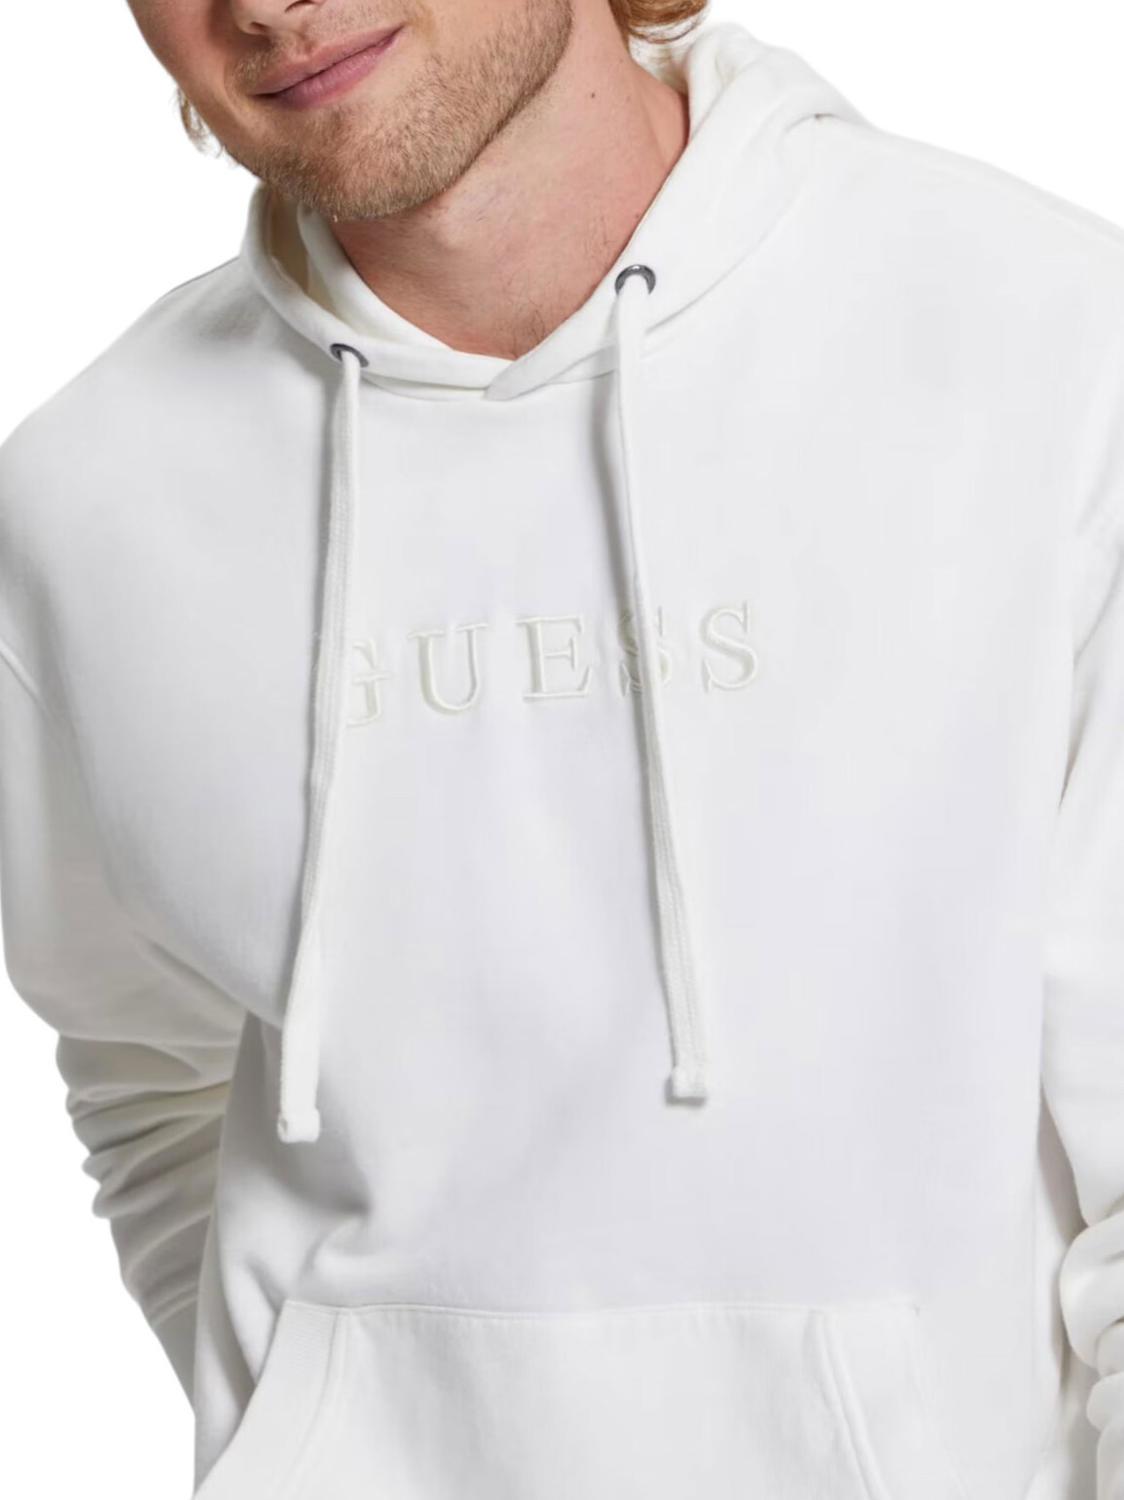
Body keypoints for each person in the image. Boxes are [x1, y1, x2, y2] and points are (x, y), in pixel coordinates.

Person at [2, 0, 1123, 1495]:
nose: (264, 3)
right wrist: (306, 1433)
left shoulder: (1050, 350)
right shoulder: (86, 499)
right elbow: (147, 1062)